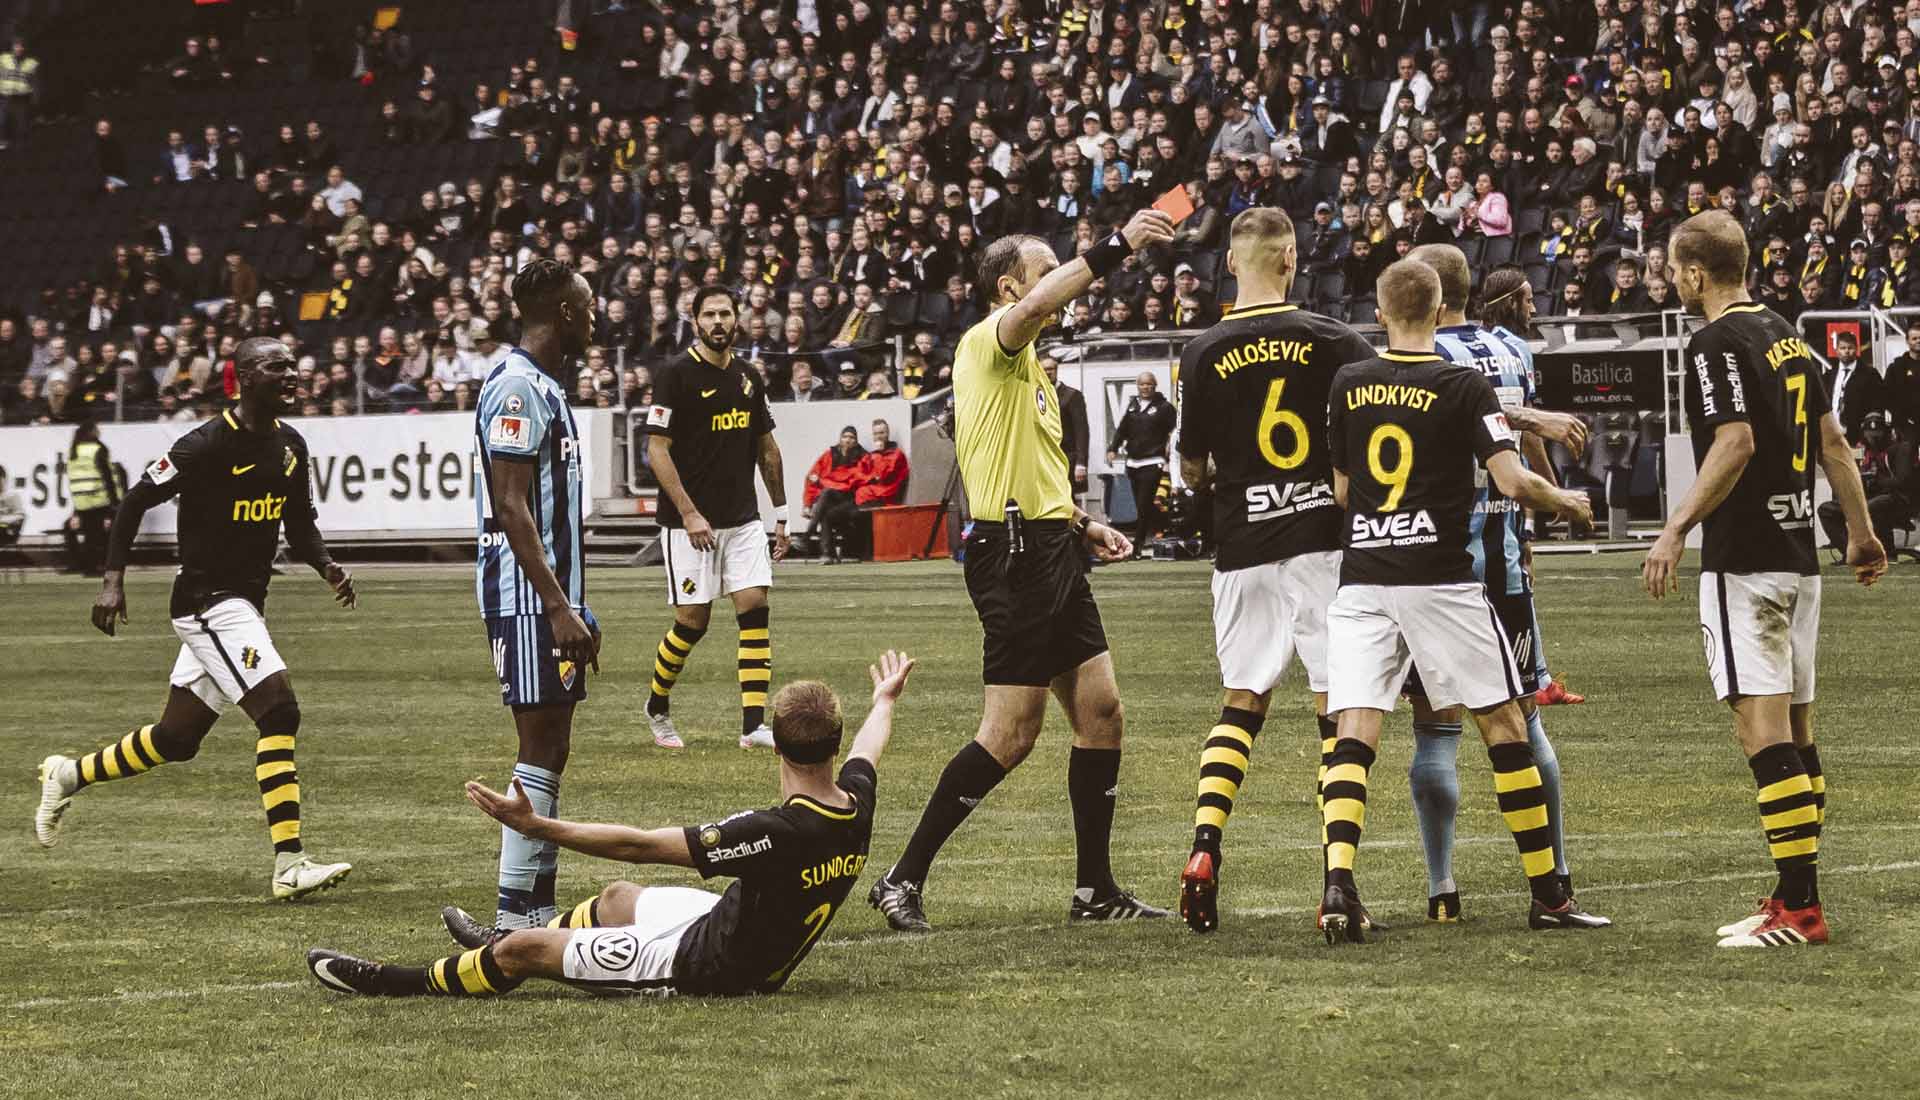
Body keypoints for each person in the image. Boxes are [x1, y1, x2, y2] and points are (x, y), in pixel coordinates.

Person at [867, 208, 1176, 932]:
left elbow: (1029, 470)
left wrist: (1082, 524)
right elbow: (1041, 304)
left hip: (1051, 546)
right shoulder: (991, 340)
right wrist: (1118, 245)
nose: (1058, 284)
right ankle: (900, 879)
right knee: (1011, 732)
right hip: (1014, 558)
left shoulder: (1033, 370)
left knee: (1101, 713)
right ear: (1009, 289)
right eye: (1044, 272)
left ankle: (1094, 890)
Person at [309, 651, 914, 1000]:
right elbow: (869, 749)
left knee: (523, 952)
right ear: (832, 745)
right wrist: (884, 701)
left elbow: (639, 845)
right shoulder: (853, 803)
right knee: (618, 899)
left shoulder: (774, 832)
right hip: (733, 926)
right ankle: (490, 943)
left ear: (775, 747)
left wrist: (538, 826)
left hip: (708, 966)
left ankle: (397, 982)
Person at [1319, 259, 1597, 942]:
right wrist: (1567, 500)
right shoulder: (1462, 384)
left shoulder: (1349, 382)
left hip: (1363, 576)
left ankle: (1338, 887)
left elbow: (1343, 492)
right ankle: (1549, 895)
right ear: (1441, 307)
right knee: (1504, 722)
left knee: (1354, 730)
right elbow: (1512, 481)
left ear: (1380, 314)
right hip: (1441, 578)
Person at [35, 338, 357, 901]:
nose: (291, 374)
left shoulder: (290, 445)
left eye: (292, 365)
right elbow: (134, 502)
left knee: (176, 738)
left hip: (242, 604)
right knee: (279, 710)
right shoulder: (204, 444)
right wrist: (112, 581)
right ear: (244, 377)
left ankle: (68, 774)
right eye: (276, 366)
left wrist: (326, 565)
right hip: (207, 601)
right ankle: (289, 862)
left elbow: (299, 522)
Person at [1643, 210, 1888, 949]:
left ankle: (1801, 909)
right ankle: (1792, 893)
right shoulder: (1786, 332)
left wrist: (1676, 527)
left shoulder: (1713, 341)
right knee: (1797, 731)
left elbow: (1735, 442)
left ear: (1695, 273)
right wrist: (1860, 533)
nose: (1672, 281)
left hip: (1745, 560)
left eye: (1674, 270)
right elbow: (1834, 442)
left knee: (1761, 729)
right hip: (1799, 558)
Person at [1171, 207, 1377, 934]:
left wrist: (1222, 481)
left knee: (1242, 701)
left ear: (1231, 263)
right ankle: (1337, 882)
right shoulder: (1337, 340)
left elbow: (1192, 467)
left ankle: (1204, 847)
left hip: (1242, 542)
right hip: (1321, 539)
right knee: (1336, 709)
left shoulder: (1201, 351)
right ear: (1291, 259)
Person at [1400, 249, 1609, 927]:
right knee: (1526, 720)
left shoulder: (1420, 354)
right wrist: (1540, 508)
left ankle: (1442, 887)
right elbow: (1514, 450)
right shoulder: (1514, 351)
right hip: (1503, 559)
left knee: (1436, 729)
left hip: (1435, 564)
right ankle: (1557, 876)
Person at [472, 258, 601, 932]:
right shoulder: (518, 389)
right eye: (589, 304)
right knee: (538, 747)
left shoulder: (545, 386)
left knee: (552, 750)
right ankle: (512, 919)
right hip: (526, 598)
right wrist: (555, 606)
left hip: (551, 598)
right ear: (565, 312)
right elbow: (511, 505)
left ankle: (536, 909)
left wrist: (575, 603)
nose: (596, 316)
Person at [641, 286, 791, 750]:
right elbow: (657, 449)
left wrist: (781, 514)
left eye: (725, 313)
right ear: (695, 321)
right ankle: (657, 704)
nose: (718, 321)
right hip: (689, 525)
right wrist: (689, 514)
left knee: (755, 607)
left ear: (737, 319)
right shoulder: (675, 375)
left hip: (742, 520)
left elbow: (767, 448)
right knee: (693, 621)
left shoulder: (749, 376)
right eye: (709, 314)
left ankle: (752, 726)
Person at [1815, 412, 1916, 555]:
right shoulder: (1862, 452)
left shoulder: (1900, 448)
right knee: (1827, 510)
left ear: (1886, 432)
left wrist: (1877, 481)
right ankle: (1854, 553)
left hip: (1897, 499)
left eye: (1878, 432)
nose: (1873, 437)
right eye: (1869, 433)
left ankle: (1885, 550)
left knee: (1872, 506)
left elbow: (1903, 481)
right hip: (1868, 497)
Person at [1106, 371, 1177, 553]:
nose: (1145, 387)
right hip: (1133, 463)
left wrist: (1170, 450)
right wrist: (1113, 448)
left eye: (1148, 384)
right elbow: (1122, 430)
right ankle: (1168, 525)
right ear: (1137, 386)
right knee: (1142, 505)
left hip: (1153, 462)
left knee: (1144, 503)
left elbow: (1176, 430)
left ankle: (1137, 545)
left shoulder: (1164, 407)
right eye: (1142, 384)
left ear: (1155, 385)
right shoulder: (1133, 406)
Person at [64, 421, 119, 576]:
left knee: (89, 533)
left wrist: (75, 510)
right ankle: (92, 568)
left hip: (81, 499)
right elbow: (107, 476)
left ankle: (81, 565)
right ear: (92, 432)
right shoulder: (98, 448)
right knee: (95, 534)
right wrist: (114, 502)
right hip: (98, 497)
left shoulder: (74, 450)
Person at [1822, 332, 1888, 444]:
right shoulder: (1829, 375)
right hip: (1832, 434)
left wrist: (1869, 433)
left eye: (1850, 348)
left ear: (1856, 349)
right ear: (1836, 350)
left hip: (1859, 437)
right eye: (1842, 348)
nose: (1846, 351)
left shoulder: (1870, 374)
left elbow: (1878, 405)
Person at [1042, 355, 1090, 494]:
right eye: (1044, 370)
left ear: (1056, 370)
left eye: (1051, 369)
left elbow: (1081, 432)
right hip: (1045, 459)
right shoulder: (1036, 396)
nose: (1048, 372)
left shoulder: (1072, 395)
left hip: (1067, 458)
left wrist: (1081, 463)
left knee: (1068, 499)